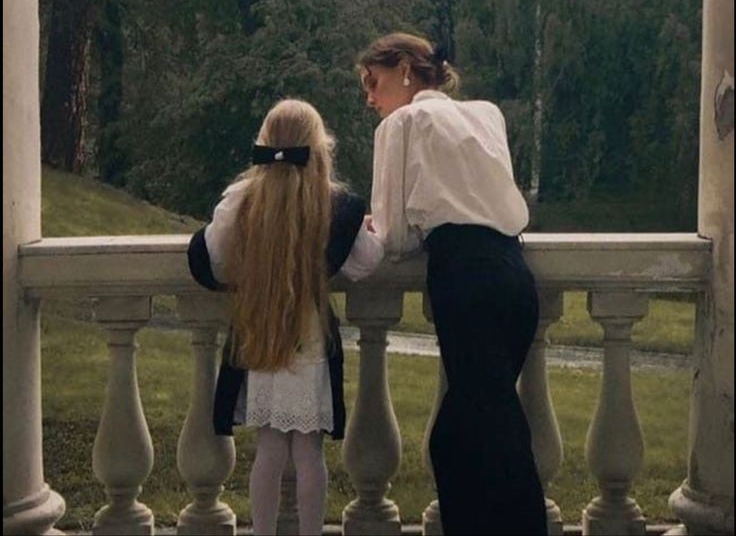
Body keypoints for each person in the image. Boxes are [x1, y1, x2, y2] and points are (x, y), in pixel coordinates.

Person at [358, 33, 548, 535]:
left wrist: (373, 229)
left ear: (403, 69)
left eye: (373, 83)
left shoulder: (403, 123)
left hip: (466, 280)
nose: (370, 99)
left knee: (482, 436)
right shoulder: (487, 114)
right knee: (478, 429)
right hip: (514, 274)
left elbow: (396, 237)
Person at [187, 98, 383, 536]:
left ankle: (263, 532)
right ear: (319, 149)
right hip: (308, 343)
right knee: (308, 453)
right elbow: (368, 262)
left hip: (261, 337)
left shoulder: (244, 200)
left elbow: (212, 257)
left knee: (270, 449)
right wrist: (367, 229)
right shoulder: (331, 204)